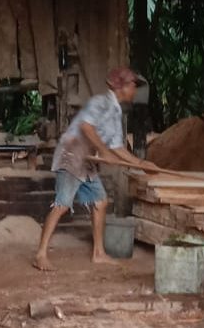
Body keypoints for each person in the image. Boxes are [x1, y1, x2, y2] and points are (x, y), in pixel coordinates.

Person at [33, 66, 158, 271]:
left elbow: (117, 147)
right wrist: (103, 151)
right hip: (72, 155)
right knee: (62, 205)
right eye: (133, 85)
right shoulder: (100, 102)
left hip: (86, 161)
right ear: (120, 86)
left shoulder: (116, 112)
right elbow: (86, 127)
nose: (135, 90)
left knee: (100, 201)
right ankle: (40, 254)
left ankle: (98, 253)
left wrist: (141, 164)